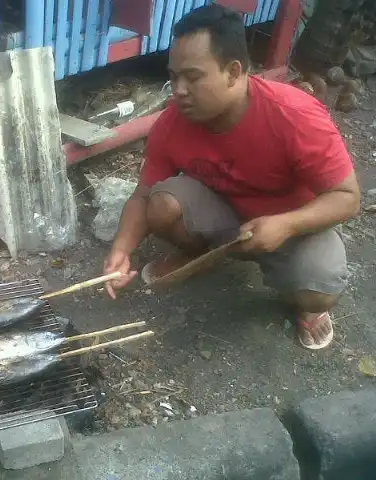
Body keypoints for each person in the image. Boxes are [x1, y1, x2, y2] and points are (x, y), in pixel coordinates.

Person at [102, 4, 360, 350]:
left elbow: (347, 197)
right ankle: (199, 255)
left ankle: (306, 306)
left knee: (319, 290)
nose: (178, 90)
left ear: (234, 72)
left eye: (192, 77)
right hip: (224, 214)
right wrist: (121, 250)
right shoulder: (171, 123)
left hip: (290, 221)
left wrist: (287, 224)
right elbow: (141, 194)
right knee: (160, 203)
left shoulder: (294, 115)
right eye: (173, 76)